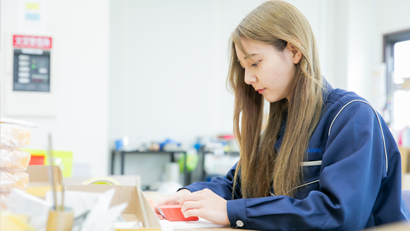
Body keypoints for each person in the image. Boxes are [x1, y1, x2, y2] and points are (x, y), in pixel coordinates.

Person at [154, 0, 410, 230]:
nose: (247, 78)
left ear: (295, 51)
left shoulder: (352, 117)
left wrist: (231, 212)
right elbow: (236, 186)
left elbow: (339, 215)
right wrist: (189, 194)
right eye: (244, 67)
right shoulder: (279, 125)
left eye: (255, 63)